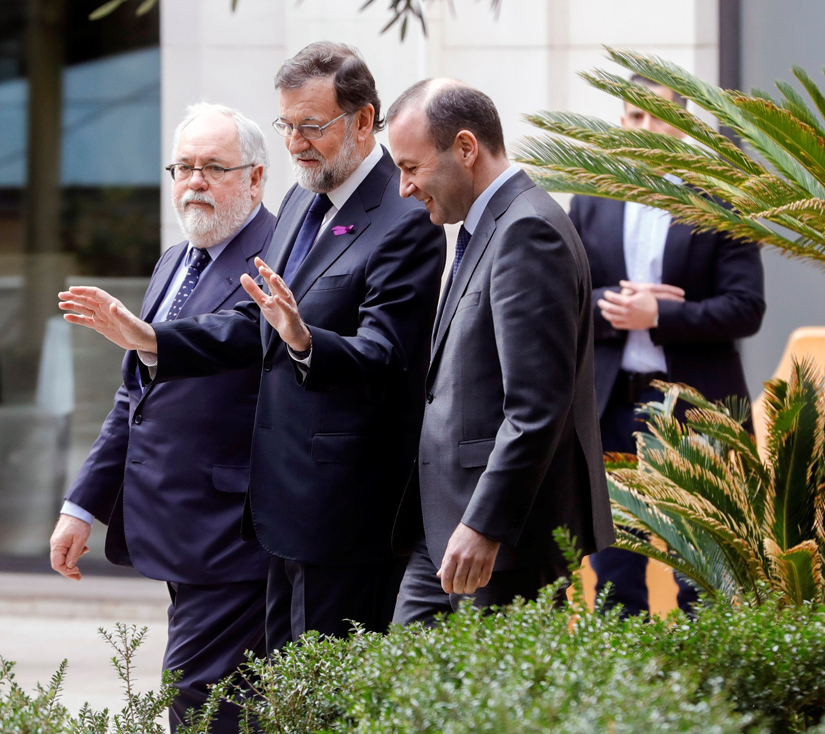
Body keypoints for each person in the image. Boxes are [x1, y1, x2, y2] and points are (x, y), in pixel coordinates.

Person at [58, 42, 446, 649]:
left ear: (364, 121)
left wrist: (305, 340)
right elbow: (251, 322)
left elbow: (390, 357)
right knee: (273, 704)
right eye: (287, 126)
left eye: (312, 127)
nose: (295, 143)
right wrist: (152, 338)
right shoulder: (300, 200)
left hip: (348, 516)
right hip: (278, 513)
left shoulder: (405, 217)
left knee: (323, 704)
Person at [49, 103, 274, 732]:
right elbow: (134, 398)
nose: (194, 181)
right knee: (212, 704)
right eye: (184, 167)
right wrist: (82, 505)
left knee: (202, 703)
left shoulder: (280, 257)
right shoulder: (174, 260)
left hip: (235, 535)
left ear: (255, 178)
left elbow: (238, 338)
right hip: (175, 531)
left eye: (213, 167)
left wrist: (144, 336)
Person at [384, 79, 614, 624]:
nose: (403, 188)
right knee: (402, 695)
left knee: (493, 708)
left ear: (466, 149)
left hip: (497, 545)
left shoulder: (528, 230)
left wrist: (485, 525)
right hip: (443, 529)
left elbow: (536, 408)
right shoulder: (490, 226)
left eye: (411, 167)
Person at [568, 75, 765, 617]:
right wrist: (619, 304)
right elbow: (560, 296)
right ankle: (627, 693)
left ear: (682, 126)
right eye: (634, 117)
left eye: (658, 117)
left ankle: (712, 689)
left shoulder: (720, 199)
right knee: (614, 570)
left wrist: (660, 315)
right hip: (613, 410)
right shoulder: (592, 198)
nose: (645, 127)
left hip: (697, 411)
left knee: (705, 569)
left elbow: (747, 308)